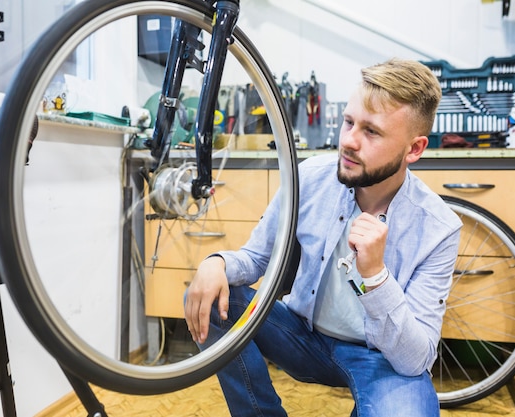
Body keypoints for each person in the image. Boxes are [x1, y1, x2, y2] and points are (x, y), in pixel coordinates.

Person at [184, 58, 463, 417]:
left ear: (414, 149)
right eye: (349, 122)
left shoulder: (438, 227)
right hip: (301, 337)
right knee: (208, 295)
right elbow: (256, 260)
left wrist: (376, 276)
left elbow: (416, 358)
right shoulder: (310, 178)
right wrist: (216, 263)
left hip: (379, 358)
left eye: (372, 132)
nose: (348, 142)